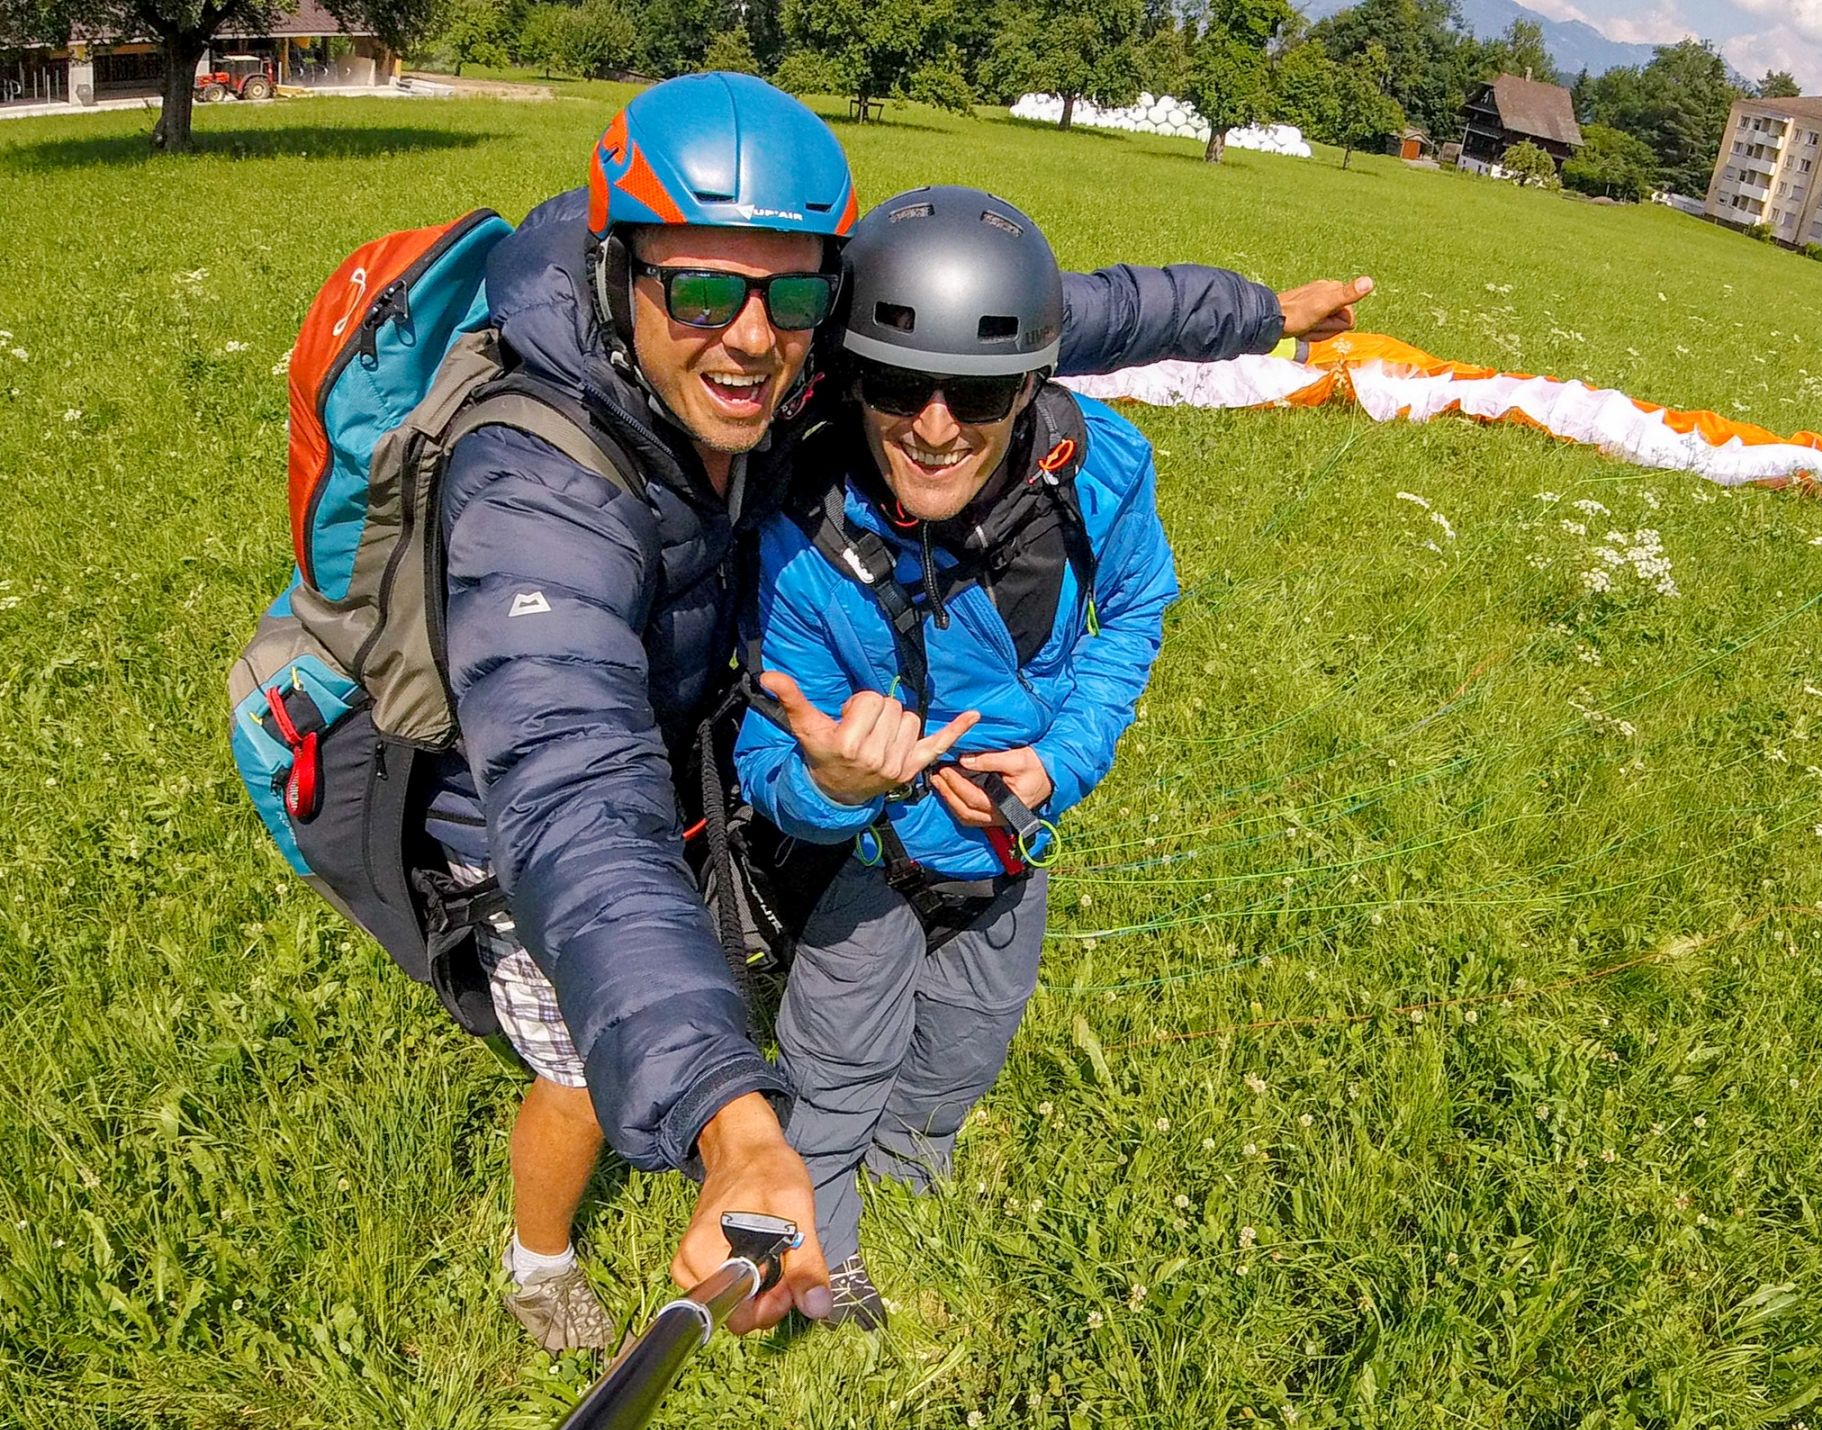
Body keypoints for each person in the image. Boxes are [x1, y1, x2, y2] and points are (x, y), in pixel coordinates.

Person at [428, 71, 1375, 1351]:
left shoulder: (835, 366)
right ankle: (539, 1257)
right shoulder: (533, 485)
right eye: (703, 291)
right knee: (578, 1065)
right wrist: (735, 1113)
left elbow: (1066, 313)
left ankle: (855, 1166)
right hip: (524, 794)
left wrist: (1259, 314)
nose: (752, 341)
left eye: (792, 296)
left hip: (701, 729)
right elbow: (575, 805)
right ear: (619, 275)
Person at [735, 185, 1178, 1327]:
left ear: (1029, 386)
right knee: (836, 1066)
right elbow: (760, 753)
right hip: (864, 858)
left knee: (959, 1053)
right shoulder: (799, 531)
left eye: (976, 392)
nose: (933, 427)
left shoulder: (1096, 473)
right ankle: (820, 1255)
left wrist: (1060, 762)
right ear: (845, 378)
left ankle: (907, 1183)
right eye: (894, 385)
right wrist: (831, 783)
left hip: (1005, 852)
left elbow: (1133, 613)